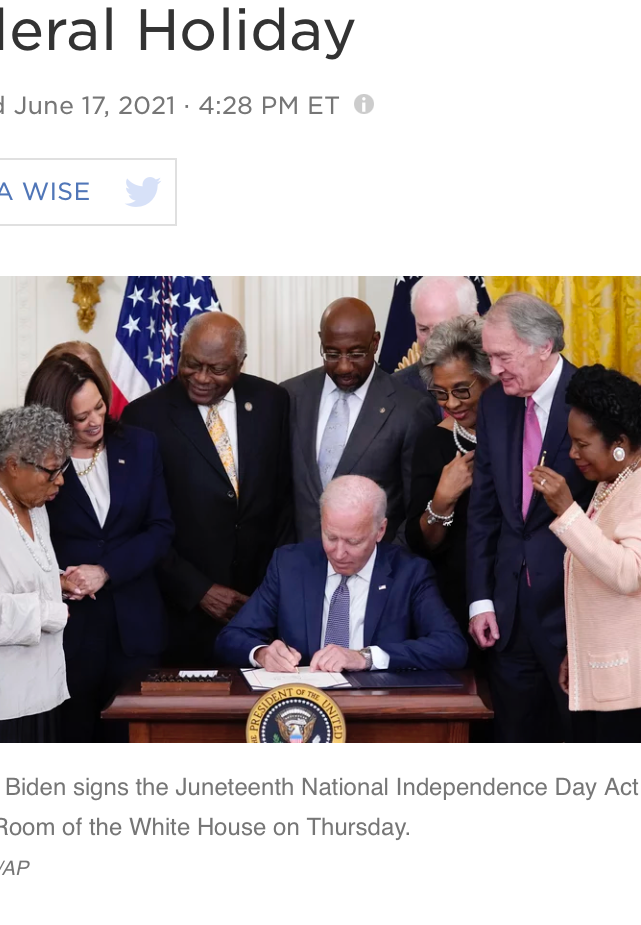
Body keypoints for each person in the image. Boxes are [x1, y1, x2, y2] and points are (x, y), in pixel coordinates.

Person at [123, 311, 293, 666]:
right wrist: (198, 590)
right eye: (191, 364)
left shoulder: (272, 402)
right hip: (181, 613)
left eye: (217, 369)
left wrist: (272, 590)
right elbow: (137, 524)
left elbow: (284, 502)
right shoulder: (144, 418)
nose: (201, 378)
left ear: (240, 363)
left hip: (261, 609)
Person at [466, 292, 597, 742]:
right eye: (490, 356)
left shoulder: (592, 399)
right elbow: (484, 511)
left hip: (573, 613)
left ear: (544, 347)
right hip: (507, 615)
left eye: (503, 356)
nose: (494, 369)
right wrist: (481, 598)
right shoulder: (494, 404)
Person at [24, 350, 173, 740]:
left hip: (136, 630)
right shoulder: (33, 465)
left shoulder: (141, 446)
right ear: (57, 417)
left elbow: (160, 529)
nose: (95, 422)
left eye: (99, 407)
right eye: (81, 417)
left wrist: (106, 570)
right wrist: (61, 578)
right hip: (70, 632)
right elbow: (24, 538)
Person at [215, 475, 468, 673]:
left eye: (353, 542)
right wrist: (261, 653)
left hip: (378, 709)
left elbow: (452, 647)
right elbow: (232, 637)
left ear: (380, 530)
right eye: (331, 537)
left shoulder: (409, 573)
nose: (338, 552)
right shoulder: (290, 565)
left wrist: (365, 657)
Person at [531, 367, 641, 743]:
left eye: (582, 444)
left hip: (639, 692)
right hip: (605, 679)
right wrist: (578, 654)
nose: (573, 454)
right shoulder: (615, 483)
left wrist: (567, 511)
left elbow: (628, 572)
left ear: (619, 442)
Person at [0, 407, 72, 743]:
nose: (60, 480)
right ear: (12, 465)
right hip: (1, 699)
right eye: (52, 471)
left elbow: (27, 567)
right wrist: (53, 612)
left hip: (44, 688)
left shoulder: (34, 503)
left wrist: (61, 581)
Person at [283, 297, 436, 543]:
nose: (344, 367)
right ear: (321, 340)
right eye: (332, 354)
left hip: (376, 569)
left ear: (375, 342)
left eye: (356, 354)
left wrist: (390, 567)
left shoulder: (410, 409)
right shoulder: (291, 396)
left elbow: (414, 510)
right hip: (301, 567)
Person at [405, 316, 495, 635]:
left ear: (489, 377)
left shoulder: (520, 436)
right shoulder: (433, 442)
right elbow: (424, 545)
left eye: (461, 390)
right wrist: (442, 501)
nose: (452, 404)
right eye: (440, 394)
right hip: (455, 603)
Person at [395, 277, 480, 386]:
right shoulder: (398, 388)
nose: (431, 342)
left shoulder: (501, 381)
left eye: (441, 329)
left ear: (472, 322)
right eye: (423, 329)